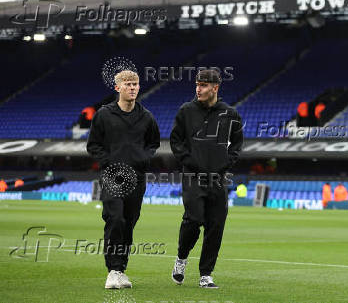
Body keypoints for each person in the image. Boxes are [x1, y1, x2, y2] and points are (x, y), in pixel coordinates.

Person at [170, 69, 243, 289]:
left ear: (215, 88)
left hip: (218, 179)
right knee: (193, 219)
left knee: (216, 225)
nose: (198, 89)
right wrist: (189, 162)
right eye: (197, 85)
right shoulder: (186, 111)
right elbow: (176, 141)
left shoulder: (230, 114)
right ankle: (181, 258)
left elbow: (237, 144)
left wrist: (226, 164)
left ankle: (206, 274)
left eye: (203, 85)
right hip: (193, 176)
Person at [87, 70, 160, 289]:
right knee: (115, 219)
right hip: (112, 176)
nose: (133, 88)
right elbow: (93, 145)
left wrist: (142, 159)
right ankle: (112, 271)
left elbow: (153, 144)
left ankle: (121, 270)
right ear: (117, 87)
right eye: (128, 84)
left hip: (136, 178)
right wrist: (108, 162)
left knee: (129, 223)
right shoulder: (104, 115)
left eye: (135, 84)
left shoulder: (146, 116)